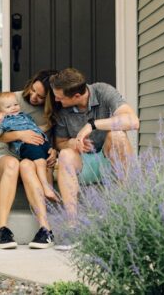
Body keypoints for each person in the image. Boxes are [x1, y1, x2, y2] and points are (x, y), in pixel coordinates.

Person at [50, 67, 139, 219]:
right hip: (82, 165)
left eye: (60, 97)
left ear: (76, 96)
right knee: (65, 154)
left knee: (117, 135)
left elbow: (133, 121)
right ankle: (72, 223)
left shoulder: (103, 91)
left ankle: (128, 208)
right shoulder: (62, 109)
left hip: (110, 162)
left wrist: (93, 125)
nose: (56, 100)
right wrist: (71, 143)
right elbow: (60, 143)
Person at [0, 69, 59, 250]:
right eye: (33, 90)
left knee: (27, 164)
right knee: (14, 163)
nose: (34, 97)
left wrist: (54, 151)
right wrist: (21, 134)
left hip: (34, 158)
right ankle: (2, 229)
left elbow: (52, 138)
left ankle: (45, 230)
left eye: (41, 96)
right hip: (8, 156)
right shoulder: (13, 99)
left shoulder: (53, 110)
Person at [0, 91, 58, 202]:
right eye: (8, 106)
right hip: (27, 145)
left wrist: (48, 125)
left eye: (16, 105)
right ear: (0, 111)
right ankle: (46, 188)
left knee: (48, 164)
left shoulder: (25, 117)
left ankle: (48, 197)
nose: (13, 108)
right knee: (40, 162)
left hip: (42, 142)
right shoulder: (6, 121)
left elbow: (36, 128)